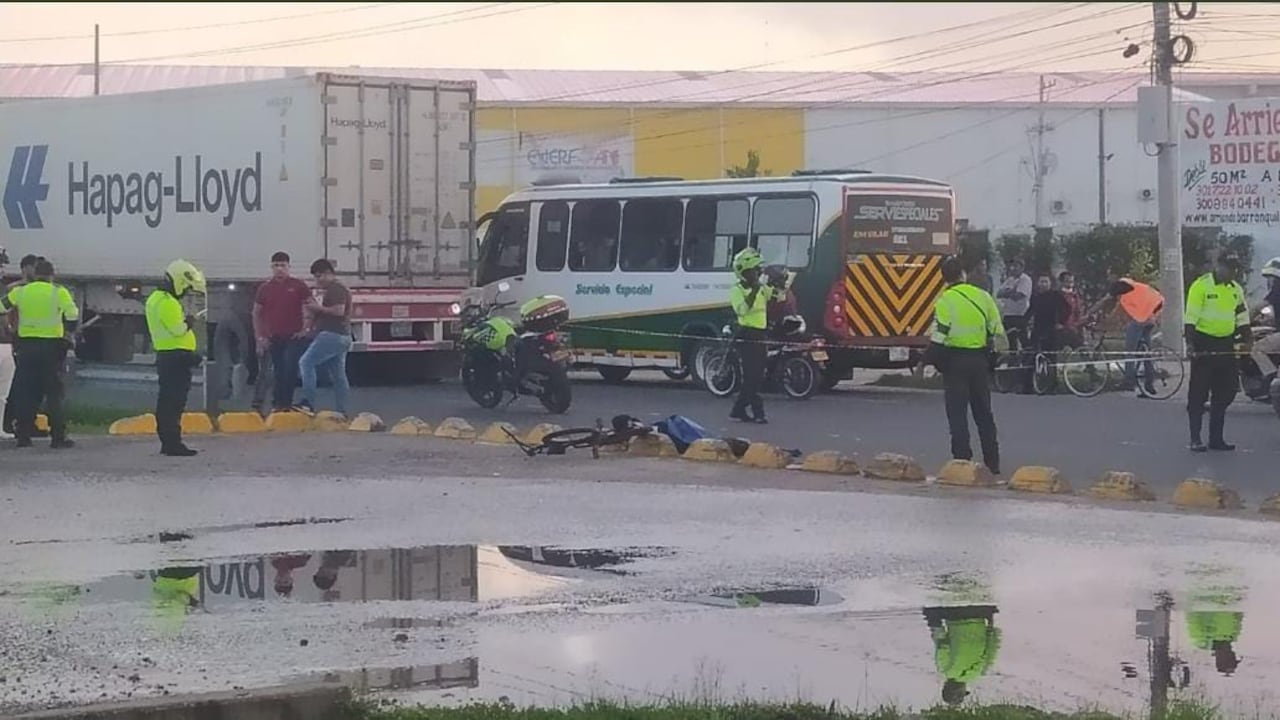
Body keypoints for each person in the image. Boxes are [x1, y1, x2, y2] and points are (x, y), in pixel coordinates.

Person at [928, 257, 1004, 474]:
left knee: (958, 415)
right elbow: (997, 330)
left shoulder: (945, 301)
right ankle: (993, 462)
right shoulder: (983, 296)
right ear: (963, 273)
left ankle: (962, 461)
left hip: (955, 364)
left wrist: (926, 362)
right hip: (979, 362)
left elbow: (939, 337)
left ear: (943, 277)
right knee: (984, 415)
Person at [0, 259, 78, 448]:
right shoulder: (58, 292)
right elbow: (72, 314)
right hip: (51, 348)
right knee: (53, 393)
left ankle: (23, 436)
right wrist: (68, 332)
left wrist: (10, 327)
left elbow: (2, 306)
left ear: (34, 274)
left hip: (26, 347)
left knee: (26, 392)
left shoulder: (21, 291)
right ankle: (58, 437)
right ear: (52, 275)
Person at [1184, 253, 1250, 452]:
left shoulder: (1235, 289)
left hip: (1226, 345)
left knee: (1227, 391)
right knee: (1198, 393)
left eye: (1235, 268)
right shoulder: (1201, 286)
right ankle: (1195, 438)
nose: (1232, 272)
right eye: (1229, 268)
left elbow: (1242, 317)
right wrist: (1190, 344)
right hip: (1204, 343)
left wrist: (1248, 339)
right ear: (1218, 265)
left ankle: (1216, 439)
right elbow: (1190, 319)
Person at [145, 260, 206, 457]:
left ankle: (169, 441)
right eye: (186, 287)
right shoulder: (167, 302)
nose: (186, 291)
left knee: (166, 401)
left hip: (166, 355)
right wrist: (190, 321)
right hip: (175, 358)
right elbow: (178, 330)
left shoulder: (154, 299)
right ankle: (172, 443)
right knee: (174, 402)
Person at [253, 251, 312, 413]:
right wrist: (260, 336)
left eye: (283, 266)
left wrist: (306, 327)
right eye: (276, 266)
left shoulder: (298, 285)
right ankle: (276, 404)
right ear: (271, 267)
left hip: (293, 336)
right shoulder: (265, 288)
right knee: (277, 371)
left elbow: (310, 306)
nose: (280, 269)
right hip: (273, 336)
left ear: (289, 267)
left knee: (290, 369)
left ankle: (285, 403)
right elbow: (256, 313)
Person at [1087, 275, 1165, 395]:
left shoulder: (1124, 296)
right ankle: (1149, 385)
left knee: (1130, 351)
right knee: (1145, 353)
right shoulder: (1138, 287)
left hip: (1142, 319)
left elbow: (1114, 315)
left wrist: (1099, 324)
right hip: (1152, 316)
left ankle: (1128, 381)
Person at [294, 259, 353, 417]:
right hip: (343, 336)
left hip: (332, 335)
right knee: (338, 375)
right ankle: (342, 411)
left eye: (319, 276)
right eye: (315, 276)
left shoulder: (336, 289)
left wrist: (316, 308)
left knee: (306, 362)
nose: (317, 280)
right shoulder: (336, 289)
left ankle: (308, 403)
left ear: (328, 273)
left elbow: (339, 311)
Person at [2, 253, 46, 438]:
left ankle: (26, 422)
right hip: (17, 340)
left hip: (34, 340)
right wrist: (11, 331)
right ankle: (11, 422)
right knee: (15, 386)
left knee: (32, 386)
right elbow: (7, 313)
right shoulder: (14, 289)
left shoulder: (43, 290)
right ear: (25, 268)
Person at [923, 605, 1002, 706]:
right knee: (930, 610)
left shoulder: (981, 671)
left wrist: (990, 620)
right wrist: (932, 620)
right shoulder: (945, 669)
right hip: (955, 617)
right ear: (945, 686)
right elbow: (942, 644)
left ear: (962, 689)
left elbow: (993, 646)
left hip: (979, 616)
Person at [728, 248, 774, 424]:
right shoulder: (737, 290)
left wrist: (779, 282)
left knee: (758, 375)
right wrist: (754, 291)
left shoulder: (761, 288)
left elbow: (777, 296)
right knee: (751, 375)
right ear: (745, 273)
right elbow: (742, 310)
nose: (757, 273)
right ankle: (757, 411)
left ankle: (738, 409)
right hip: (746, 335)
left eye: (758, 270)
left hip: (760, 334)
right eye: (754, 271)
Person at [1024, 274, 1068, 391]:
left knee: (1051, 356)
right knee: (1032, 354)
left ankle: (1052, 383)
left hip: (1051, 329)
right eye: (1041, 282)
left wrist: (1061, 322)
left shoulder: (1055, 296)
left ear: (1050, 284)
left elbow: (1067, 309)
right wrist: (1023, 323)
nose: (1043, 284)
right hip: (1038, 329)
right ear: (1037, 284)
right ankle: (1028, 384)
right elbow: (1030, 311)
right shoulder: (1035, 297)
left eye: (1045, 282)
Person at [1248, 257, 1280, 382]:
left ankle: (1270, 379)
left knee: (1257, 349)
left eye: (1270, 278)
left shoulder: (1277, 289)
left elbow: (1257, 308)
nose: (1269, 281)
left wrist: (1245, 321)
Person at [995, 258, 1031, 355]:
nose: (1013, 268)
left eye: (1016, 266)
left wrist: (1007, 293)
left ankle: (1027, 361)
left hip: (1020, 315)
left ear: (1022, 267)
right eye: (1012, 266)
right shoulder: (1010, 280)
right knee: (1011, 341)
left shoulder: (1025, 279)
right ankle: (1013, 361)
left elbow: (1018, 296)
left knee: (1023, 340)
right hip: (1008, 314)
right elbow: (998, 293)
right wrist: (1011, 291)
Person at [0, 248, 13, 440]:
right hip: (3, 341)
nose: (2, 269)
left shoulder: (3, 287)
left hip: (3, 343)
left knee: (3, 392)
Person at [1057, 271, 1085, 349]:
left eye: (1071, 281)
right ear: (1061, 282)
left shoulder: (1076, 295)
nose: (1070, 284)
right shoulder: (1057, 295)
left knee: (1081, 348)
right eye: (1067, 281)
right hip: (1062, 328)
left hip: (1075, 327)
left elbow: (1078, 310)